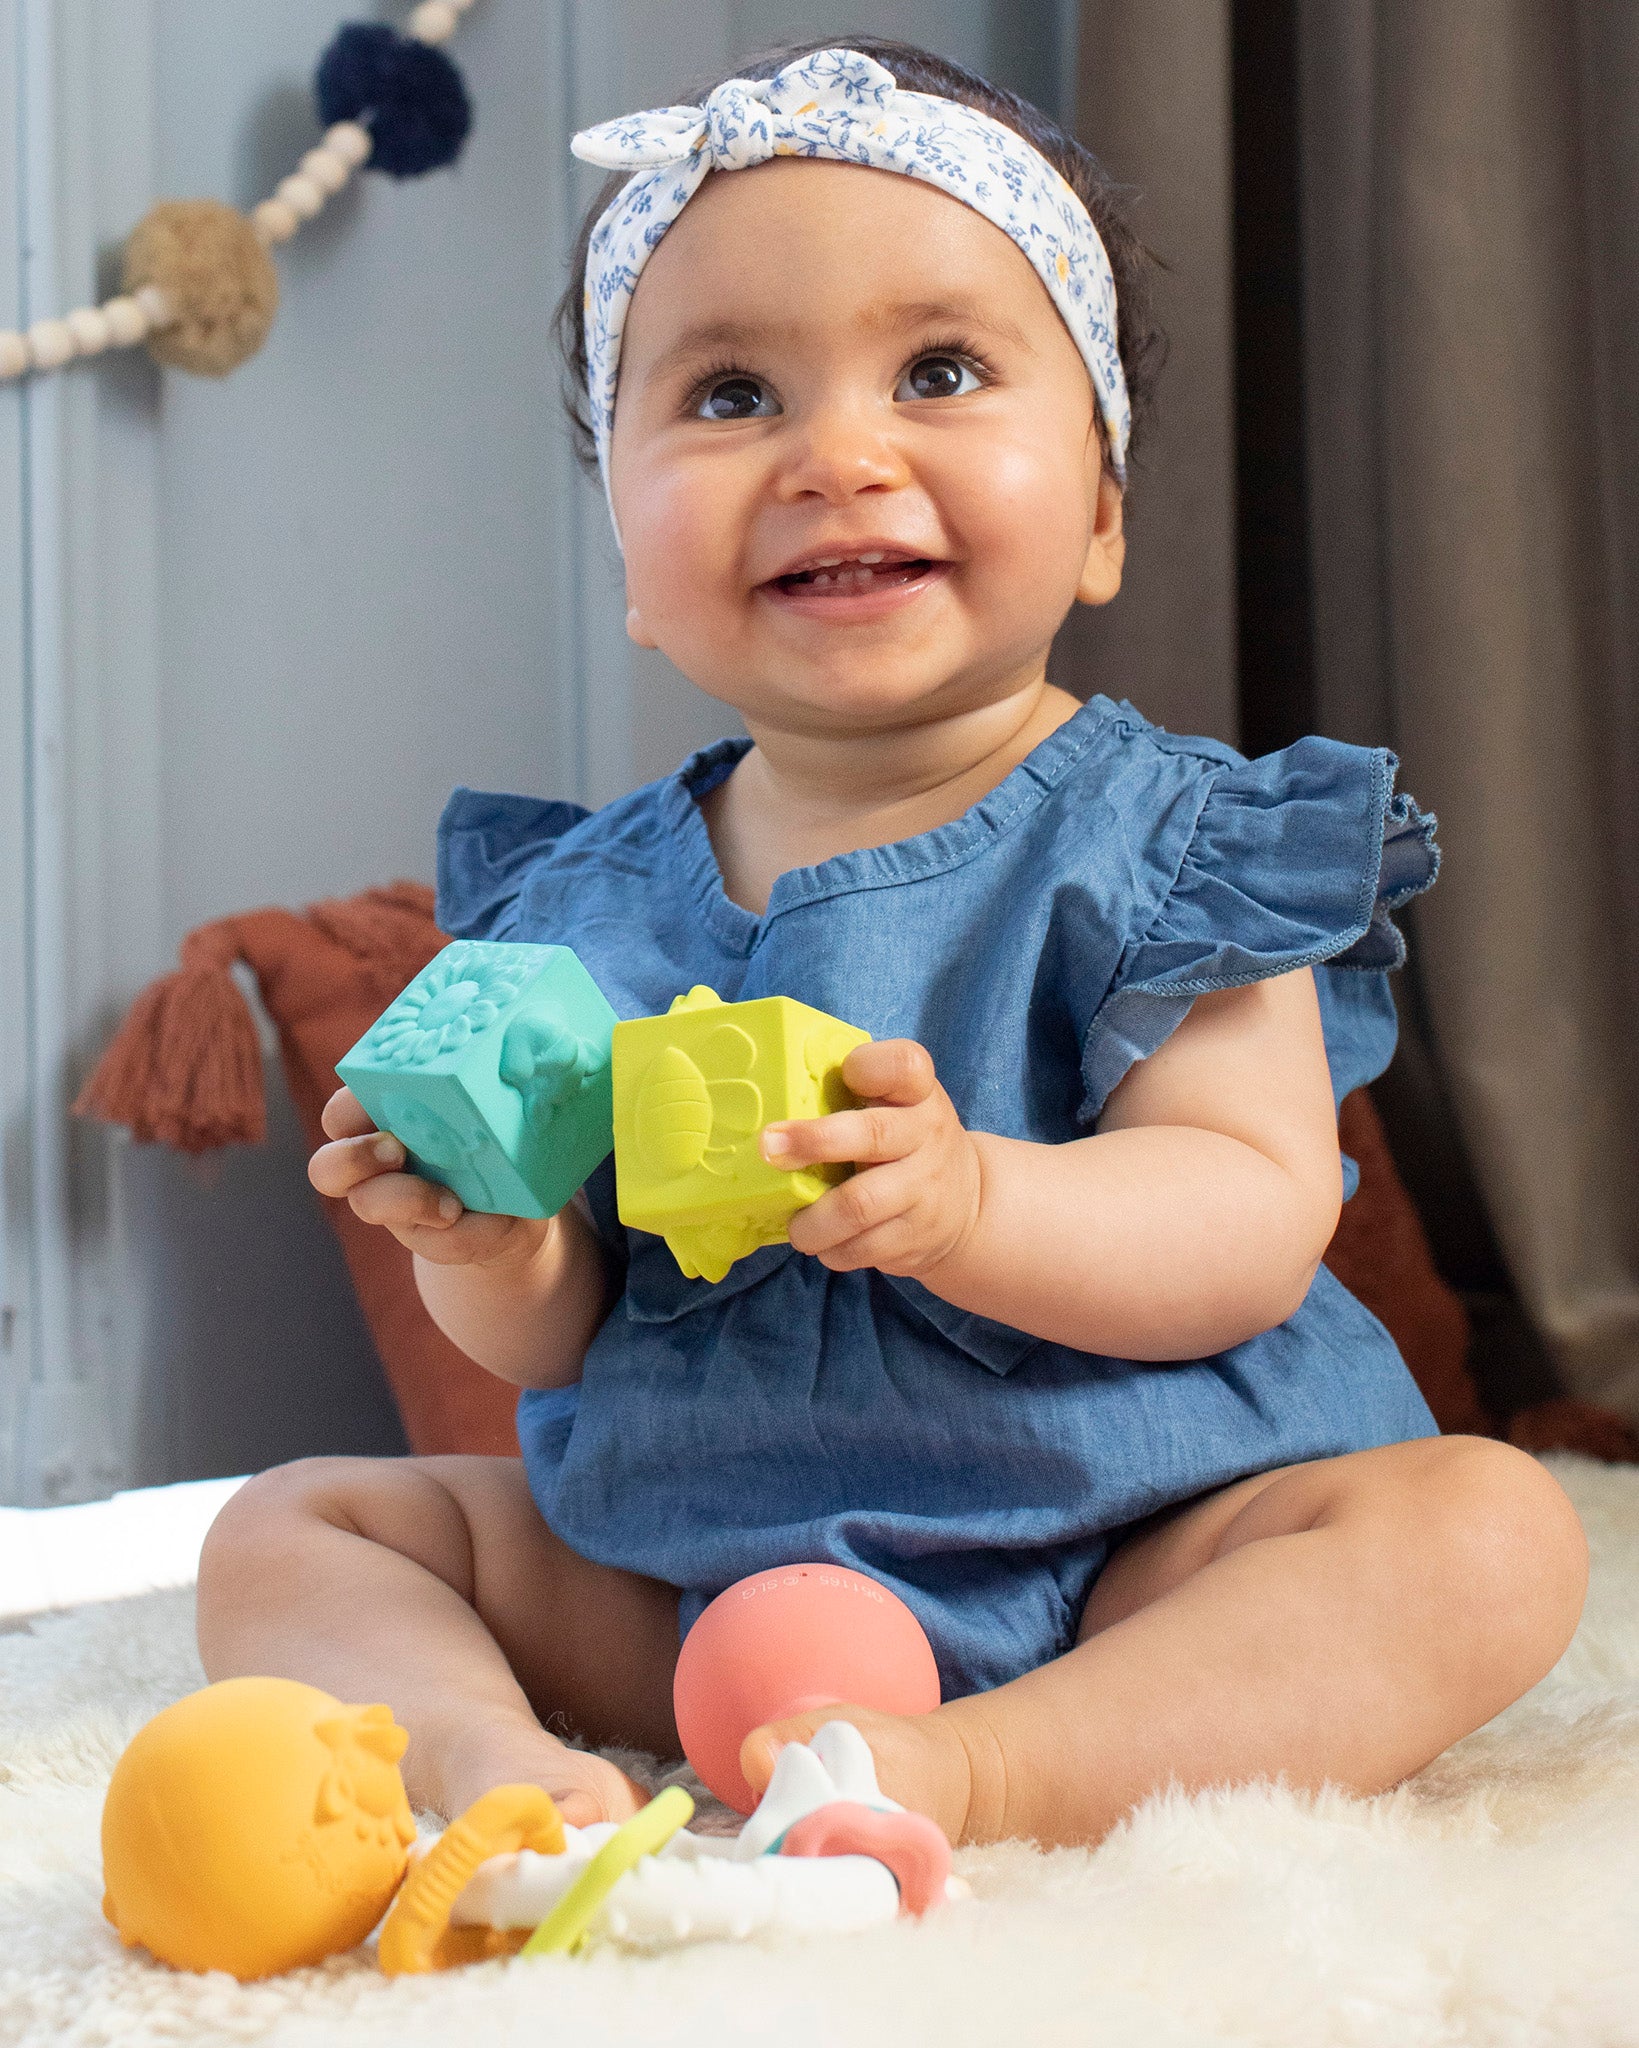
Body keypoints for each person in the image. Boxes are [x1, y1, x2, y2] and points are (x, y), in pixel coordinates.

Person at [197, 39, 1587, 1849]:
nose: (836, 455)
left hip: (1130, 1554)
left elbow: (1246, 1219)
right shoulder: (578, 907)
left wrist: (966, 1205)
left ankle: (981, 1767)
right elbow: (553, 1342)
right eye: (727, 396)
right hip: (684, 1571)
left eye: (938, 372)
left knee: (1488, 1533)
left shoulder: (1171, 845)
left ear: (1098, 510)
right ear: (625, 541)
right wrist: (490, 1237)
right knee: (296, 1526)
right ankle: (485, 1762)